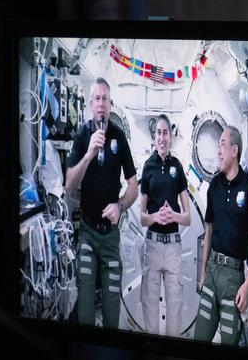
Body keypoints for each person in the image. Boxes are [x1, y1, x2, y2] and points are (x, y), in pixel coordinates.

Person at [65, 77, 138, 329]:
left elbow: (133, 186)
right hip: (87, 233)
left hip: (110, 239)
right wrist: (88, 154)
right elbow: (69, 184)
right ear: (90, 104)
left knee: (111, 312)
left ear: (110, 104)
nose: (101, 104)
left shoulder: (119, 136)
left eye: (104, 99)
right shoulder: (82, 135)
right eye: (96, 99)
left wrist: (120, 206)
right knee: (85, 311)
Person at [195, 125, 248, 345]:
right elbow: (208, 230)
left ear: (234, 151)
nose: (218, 151)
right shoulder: (214, 186)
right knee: (199, 339)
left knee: (229, 344)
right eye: (218, 146)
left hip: (234, 279)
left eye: (222, 145)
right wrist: (202, 273)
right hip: (211, 273)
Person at [138, 114, 191, 337]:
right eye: (158, 133)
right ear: (154, 136)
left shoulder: (177, 167)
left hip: (172, 249)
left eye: (165, 133)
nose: (162, 137)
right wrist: (156, 217)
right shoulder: (148, 167)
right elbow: (142, 218)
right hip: (152, 247)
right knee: (149, 308)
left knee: (175, 310)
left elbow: (187, 218)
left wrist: (172, 216)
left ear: (171, 137)